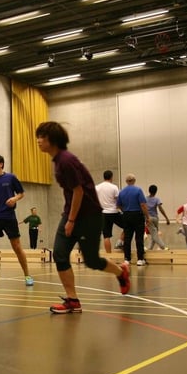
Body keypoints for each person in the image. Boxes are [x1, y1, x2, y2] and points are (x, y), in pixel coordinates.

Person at [35, 121, 130, 313]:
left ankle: (121, 272)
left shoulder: (66, 161)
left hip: (88, 216)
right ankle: (73, 300)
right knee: (60, 254)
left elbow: (78, 191)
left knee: (92, 261)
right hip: (70, 212)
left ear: (51, 140)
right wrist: (68, 217)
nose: (38, 141)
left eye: (41, 137)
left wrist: (71, 221)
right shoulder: (58, 160)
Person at [0, 154, 33, 287]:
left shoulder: (11, 178)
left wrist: (14, 199)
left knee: (17, 247)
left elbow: (21, 193)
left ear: (1, 164)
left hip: (9, 217)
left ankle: (27, 275)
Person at [118, 173, 149, 266]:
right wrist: (147, 216)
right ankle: (140, 259)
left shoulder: (122, 192)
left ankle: (127, 259)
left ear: (126, 181)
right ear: (134, 180)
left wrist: (125, 210)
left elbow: (118, 204)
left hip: (126, 215)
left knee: (127, 237)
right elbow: (143, 205)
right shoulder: (138, 190)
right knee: (139, 237)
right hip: (137, 215)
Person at [95, 170, 124, 256]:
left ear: (103, 177)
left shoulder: (97, 187)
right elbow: (118, 201)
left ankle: (109, 255)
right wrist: (122, 210)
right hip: (114, 212)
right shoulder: (114, 187)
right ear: (111, 177)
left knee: (106, 236)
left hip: (103, 213)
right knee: (128, 226)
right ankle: (120, 241)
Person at [146, 184, 170, 251]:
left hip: (149, 218)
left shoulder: (145, 199)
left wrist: (145, 218)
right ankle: (155, 248)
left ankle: (161, 247)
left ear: (149, 191)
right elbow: (160, 209)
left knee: (154, 234)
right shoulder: (157, 199)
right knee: (154, 233)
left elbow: (142, 208)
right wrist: (166, 218)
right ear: (156, 191)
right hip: (155, 218)